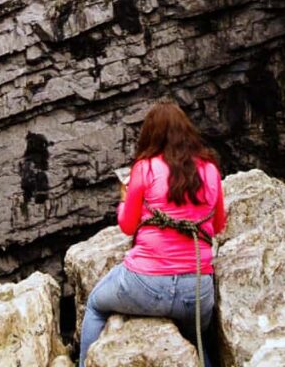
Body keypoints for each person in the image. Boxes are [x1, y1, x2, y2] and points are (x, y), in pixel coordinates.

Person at [79, 101, 226, 367]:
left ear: (151, 135)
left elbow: (127, 225)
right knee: (199, 336)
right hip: (196, 290)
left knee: (95, 305)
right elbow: (217, 226)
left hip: (145, 285)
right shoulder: (211, 171)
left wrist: (124, 197)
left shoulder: (145, 168)